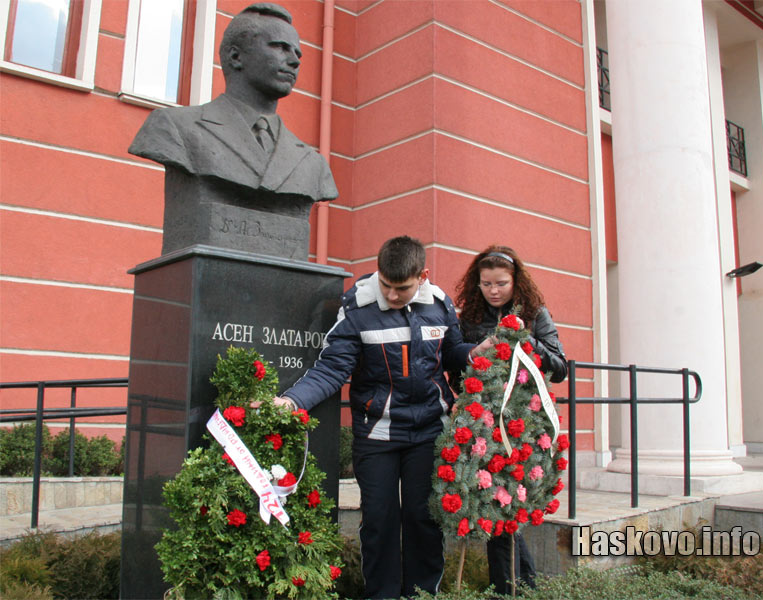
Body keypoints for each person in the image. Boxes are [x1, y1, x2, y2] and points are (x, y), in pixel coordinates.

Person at [274, 236, 493, 599]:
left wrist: (473, 353)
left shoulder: (440, 304)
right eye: (386, 285)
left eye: (401, 288)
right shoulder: (356, 307)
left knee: (424, 520)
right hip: (377, 435)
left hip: (429, 433)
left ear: (422, 275)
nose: (391, 296)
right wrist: (292, 401)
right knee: (379, 521)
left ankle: (422, 594)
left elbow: (451, 353)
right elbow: (332, 369)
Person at [129, 2, 337, 201]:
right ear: (236, 56)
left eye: (297, 53)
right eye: (280, 47)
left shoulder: (313, 164)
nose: (294, 61)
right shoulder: (173, 128)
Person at [452, 245, 567, 595]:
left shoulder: (535, 313)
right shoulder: (469, 316)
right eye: (486, 284)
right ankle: (516, 586)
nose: (494, 291)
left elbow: (560, 368)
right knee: (497, 503)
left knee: (508, 504)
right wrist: (481, 350)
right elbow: (455, 367)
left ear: (517, 281)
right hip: (483, 423)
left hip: (525, 424)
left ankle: (514, 586)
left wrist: (526, 338)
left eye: (501, 283)